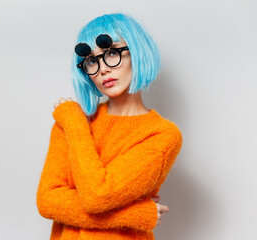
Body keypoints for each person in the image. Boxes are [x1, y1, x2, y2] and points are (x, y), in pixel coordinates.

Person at [36, 13, 183, 240]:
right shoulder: (70, 121)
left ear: (137, 52)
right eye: (92, 60)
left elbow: (97, 195)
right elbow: (47, 200)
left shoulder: (162, 134)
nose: (103, 68)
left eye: (112, 53)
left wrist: (75, 123)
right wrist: (136, 214)